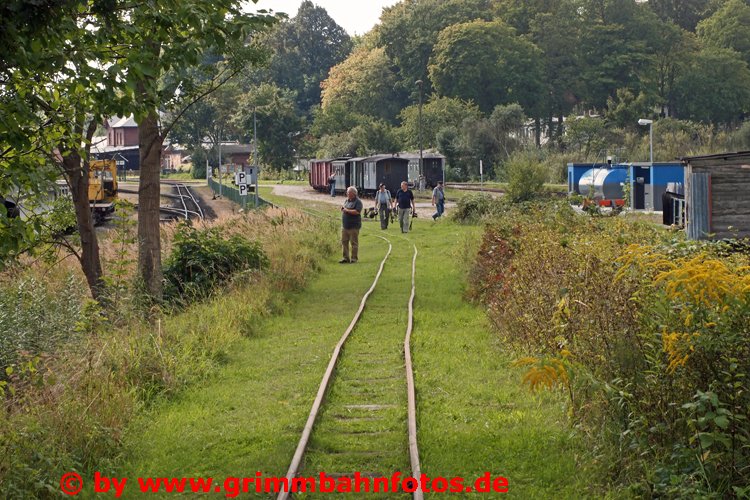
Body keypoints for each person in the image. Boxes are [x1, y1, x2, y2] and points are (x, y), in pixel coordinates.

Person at [340, 186, 363, 263]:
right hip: (345, 226)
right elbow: (345, 208)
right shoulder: (346, 201)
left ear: (353, 193)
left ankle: (354, 258)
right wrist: (343, 209)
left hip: (354, 226)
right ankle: (345, 258)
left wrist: (347, 210)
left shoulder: (358, 202)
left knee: (354, 243)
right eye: (347, 192)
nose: (347, 193)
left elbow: (357, 212)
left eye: (348, 192)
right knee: (344, 242)